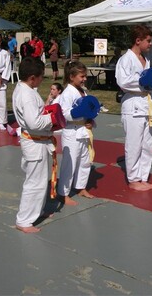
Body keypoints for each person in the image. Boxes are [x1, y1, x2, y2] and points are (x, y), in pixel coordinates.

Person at [12, 57, 56, 233]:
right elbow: (34, 123)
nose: (41, 79)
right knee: (34, 182)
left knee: (40, 180)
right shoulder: (27, 95)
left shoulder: (26, 89)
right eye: (40, 76)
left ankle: (37, 211)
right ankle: (23, 220)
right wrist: (52, 117)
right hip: (34, 141)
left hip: (37, 141)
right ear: (32, 77)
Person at [115, 25, 152, 191]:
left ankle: (143, 176)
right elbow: (123, 82)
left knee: (147, 144)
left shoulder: (146, 60)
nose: (151, 44)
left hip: (146, 105)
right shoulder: (125, 59)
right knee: (134, 144)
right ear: (138, 40)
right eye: (148, 41)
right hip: (132, 106)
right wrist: (143, 83)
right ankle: (133, 179)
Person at [57, 61, 96, 205]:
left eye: (85, 76)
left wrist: (90, 120)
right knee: (70, 163)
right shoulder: (67, 93)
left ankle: (80, 187)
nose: (85, 79)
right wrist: (80, 113)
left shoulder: (83, 91)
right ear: (72, 76)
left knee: (85, 161)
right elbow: (65, 113)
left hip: (83, 131)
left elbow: (89, 109)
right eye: (82, 76)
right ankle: (63, 193)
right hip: (71, 132)